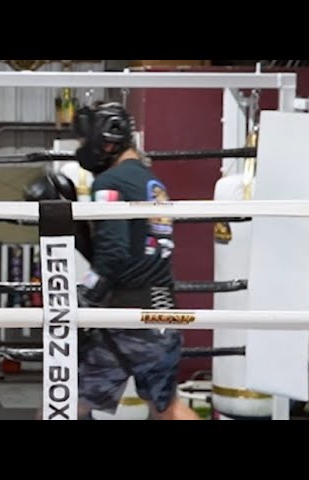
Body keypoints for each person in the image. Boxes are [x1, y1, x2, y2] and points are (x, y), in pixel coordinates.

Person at [28, 101, 199, 420]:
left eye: (84, 140)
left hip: (126, 317)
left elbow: (114, 256)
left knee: (64, 404)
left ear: (106, 140)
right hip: (162, 312)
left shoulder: (110, 183)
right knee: (168, 408)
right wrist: (75, 227)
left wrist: (86, 297)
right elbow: (129, 251)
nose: (82, 148)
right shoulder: (151, 183)